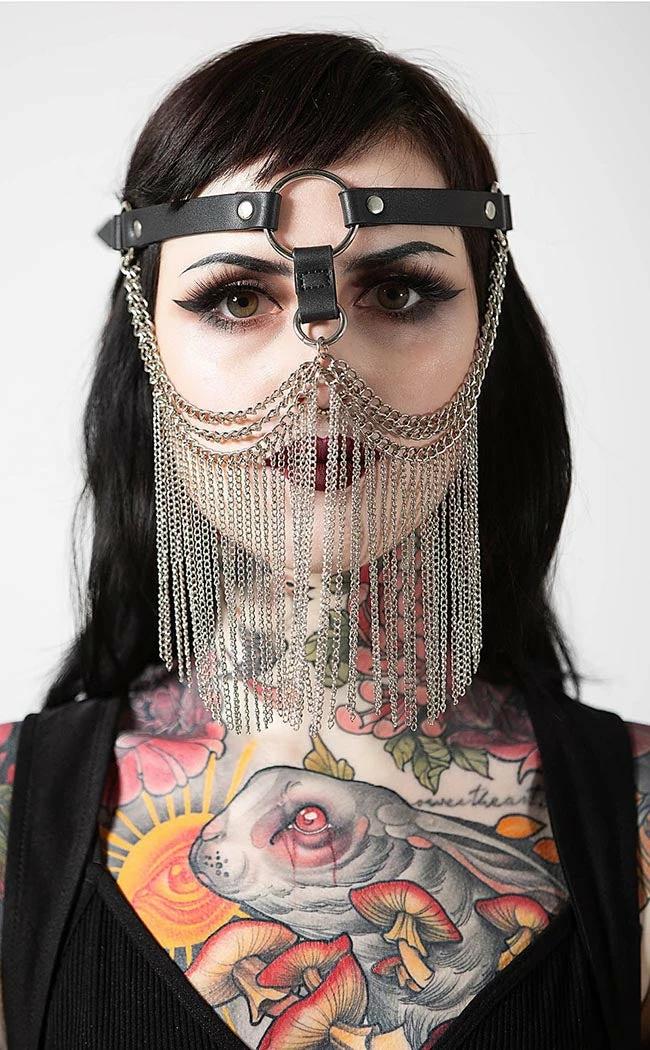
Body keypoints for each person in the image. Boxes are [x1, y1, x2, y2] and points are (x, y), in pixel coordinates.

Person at [0, 30, 648, 1050]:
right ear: (149, 343)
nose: (321, 368)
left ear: (486, 338)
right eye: (235, 298)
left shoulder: (638, 820)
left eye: (396, 293)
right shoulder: (8, 818)